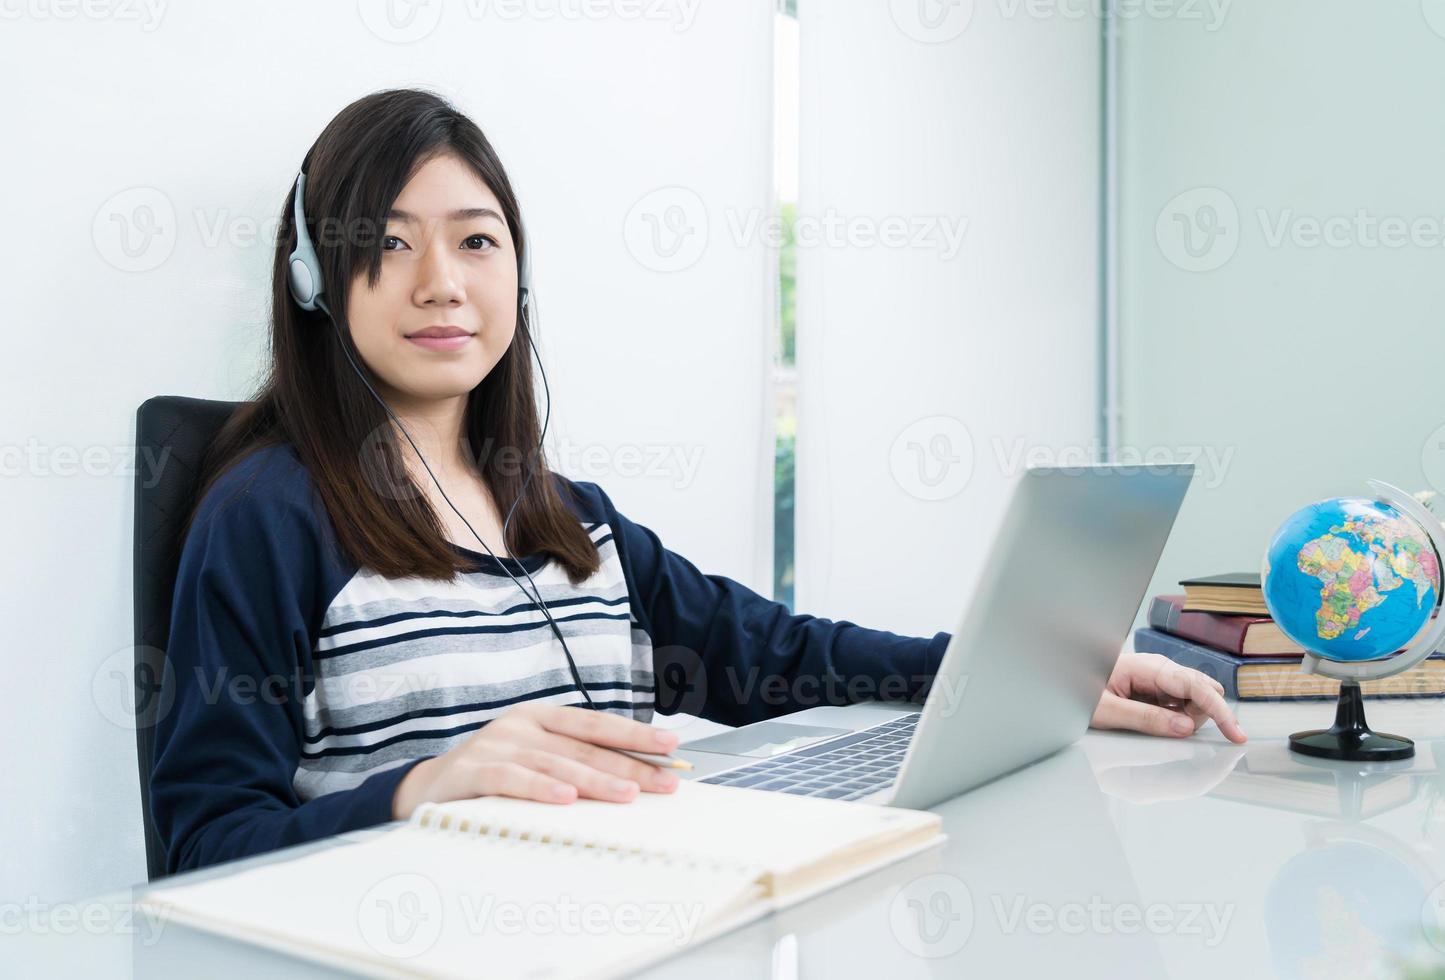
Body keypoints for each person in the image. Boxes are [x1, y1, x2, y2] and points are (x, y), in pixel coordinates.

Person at [150, 88, 1246, 877]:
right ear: (314, 280)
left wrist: (1040, 670)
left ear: (517, 275)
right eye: (388, 243)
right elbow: (201, 844)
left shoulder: (570, 520)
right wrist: (419, 785)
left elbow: (782, 656)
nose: (442, 282)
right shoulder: (268, 518)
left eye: (476, 241)